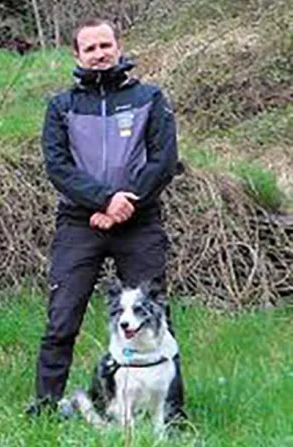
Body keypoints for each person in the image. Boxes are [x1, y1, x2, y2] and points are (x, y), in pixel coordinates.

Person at [29, 19, 185, 419]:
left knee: (157, 315)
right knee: (62, 318)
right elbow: (58, 167)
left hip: (140, 220)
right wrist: (103, 201)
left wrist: (124, 203)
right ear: (76, 56)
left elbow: (163, 159)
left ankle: (171, 411)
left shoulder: (150, 98)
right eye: (90, 47)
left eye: (105, 44)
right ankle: (45, 407)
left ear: (118, 47)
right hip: (80, 223)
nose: (99, 53)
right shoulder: (60, 106)